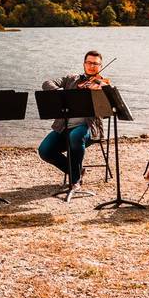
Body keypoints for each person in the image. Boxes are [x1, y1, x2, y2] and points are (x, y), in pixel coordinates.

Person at [37, 50, 107, 192]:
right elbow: (47, 83)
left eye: (95, 64)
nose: (91, 66)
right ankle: (76, 172)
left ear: (100, 66)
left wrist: (99, 94)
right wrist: (60, 93)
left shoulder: (102, 85)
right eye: (89, 62)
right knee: (44, 150)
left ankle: (75, 182)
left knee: (76, 136)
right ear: (84, 64)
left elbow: (105, 114)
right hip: (64, 127)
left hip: (87, 128)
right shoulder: (71, 79)